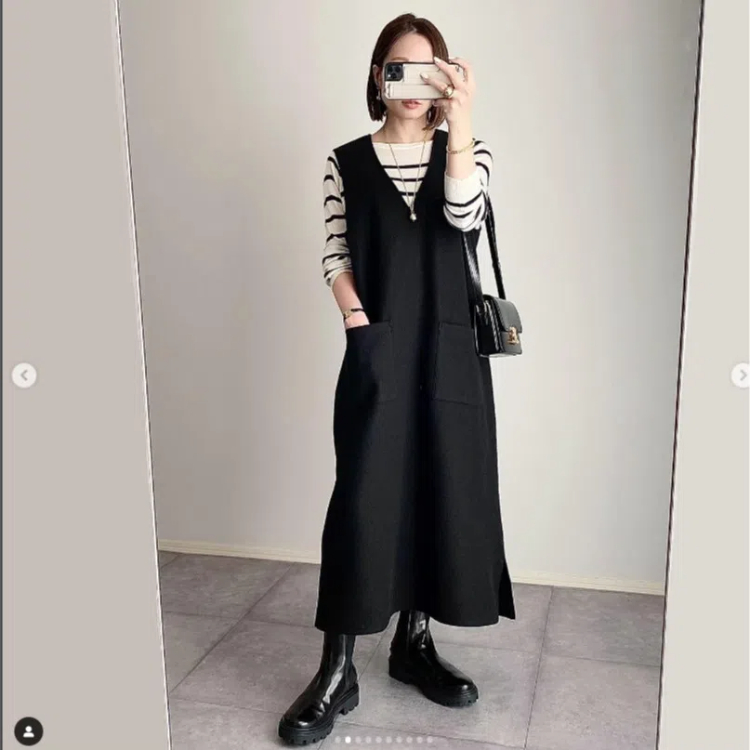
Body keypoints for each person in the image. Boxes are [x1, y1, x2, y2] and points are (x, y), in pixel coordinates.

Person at [278, 13, 516, 746]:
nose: (411, 83)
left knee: (440, 488)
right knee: (363, 498)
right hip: (380, 346)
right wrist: (359, 323)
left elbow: (462, 215)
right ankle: (337, 669)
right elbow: (335, 254)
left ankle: (414, 644)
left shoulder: (469, 153)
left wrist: (461, 122)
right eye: (397, 68)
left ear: (447, 78)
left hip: (451, 352)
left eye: (427, 69)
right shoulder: (345, 161)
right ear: (376, 76)